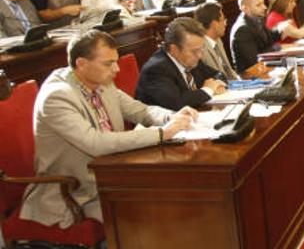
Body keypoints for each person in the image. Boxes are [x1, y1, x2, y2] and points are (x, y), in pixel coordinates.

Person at [19, 30, 195, 228]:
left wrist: (172, 116)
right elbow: (96, 143)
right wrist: (162, 133)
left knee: (172, 186)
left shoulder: (101, 82)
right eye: (108, 63)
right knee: (151, 205)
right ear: (81, 64)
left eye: (116, 61)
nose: (117, 69)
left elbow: (141, 111)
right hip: (76, 191)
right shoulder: (57, 97)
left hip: (112, 175)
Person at [135, 17, 227, 110]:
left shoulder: (191, 58)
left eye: (201, 48)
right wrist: (208, 89)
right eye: (195, 51)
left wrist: (217, 84)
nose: (199, 55)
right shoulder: (156, 70)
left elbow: (218, 74)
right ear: (174, 49)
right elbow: (177, 103)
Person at [230, 0, 304, 73]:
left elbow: (268, 38)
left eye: (263, 3)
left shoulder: (258, 17)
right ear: (245, 9)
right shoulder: (242, 30)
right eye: (258, 5)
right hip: (252, 76)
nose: (264, 7)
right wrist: (279, 47)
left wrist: (280, 29)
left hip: (266, 66)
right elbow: (256, 59)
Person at [193, 2, 239, 81]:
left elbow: (229, 71)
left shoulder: (218, 40)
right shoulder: (201, 48)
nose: (225, 24)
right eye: (223, 20)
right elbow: (215, 79)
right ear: (214, 24)